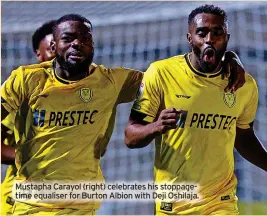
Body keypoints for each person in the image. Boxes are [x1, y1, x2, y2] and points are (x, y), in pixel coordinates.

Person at [1, 13, 246, 215]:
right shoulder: (27, 80)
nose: (77, 43)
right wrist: (21, 157)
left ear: (93, 45)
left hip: (83, 201)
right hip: (33, 202)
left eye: (85, 39)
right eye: (69, 38)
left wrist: (229, 57)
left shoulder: (111, 81)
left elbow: (167, 79)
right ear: (54, 47)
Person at [124, 4, 267, 215]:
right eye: (202, 33)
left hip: (221, 201)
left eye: (217, 33)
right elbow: (130, 136)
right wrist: (156, 126)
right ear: (190, 38)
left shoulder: (243, 85)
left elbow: (244, 137)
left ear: (226, 38)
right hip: (174, 204)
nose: (209, 39)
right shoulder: (160, 73)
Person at [1, 20, 56, 215]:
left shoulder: (88, 94)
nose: (59, 55)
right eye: (52, 48)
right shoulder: (22, 92)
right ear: (38, 54)